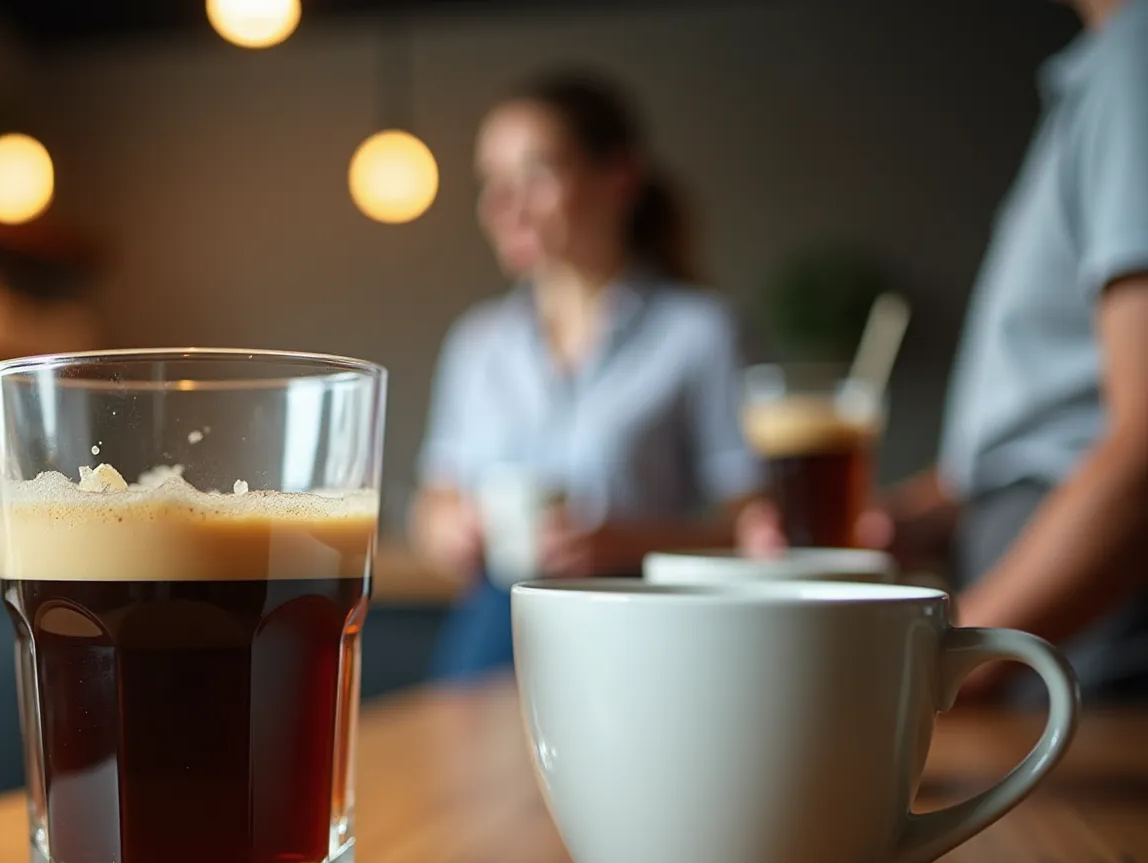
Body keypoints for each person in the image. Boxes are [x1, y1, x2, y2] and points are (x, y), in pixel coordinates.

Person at [743, 0, 1148, 702]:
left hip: (1088, 638)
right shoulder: (1102, 75)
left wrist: (928, 670)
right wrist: (908, 518)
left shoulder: (1137, 60)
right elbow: (1033, 439)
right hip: (1050, 627)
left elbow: (1142, 446)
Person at [411, 73, 762, 678]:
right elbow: (436, 496)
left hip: (644, 627)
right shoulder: (478, 343)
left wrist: (622, 542)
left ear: (619, 176)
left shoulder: (700, 332)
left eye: (537, 174)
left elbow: (752, 526)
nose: (505, 205)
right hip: (495, 624)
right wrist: (445, 526)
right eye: (492, 182)